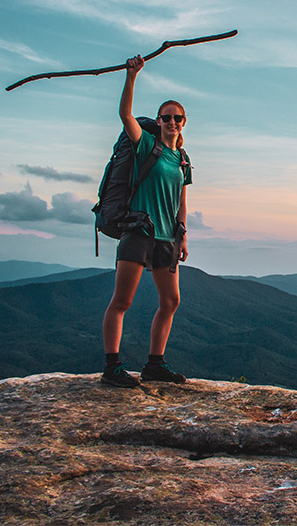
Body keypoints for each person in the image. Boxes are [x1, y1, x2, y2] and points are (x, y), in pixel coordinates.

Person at [100, 54, 191, 388]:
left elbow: (182, 199)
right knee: (122, 301)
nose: (171, 121)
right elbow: (125, 114)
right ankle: (112, 366)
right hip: (139, 232)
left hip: (167, 238)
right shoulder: (146, 145)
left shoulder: (182, 160)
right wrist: (131, 76)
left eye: (177, 117)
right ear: (159, 120)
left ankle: (155, 364)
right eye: (166, 117)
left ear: (184, 122)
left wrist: (182, 234)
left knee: (171, 301)